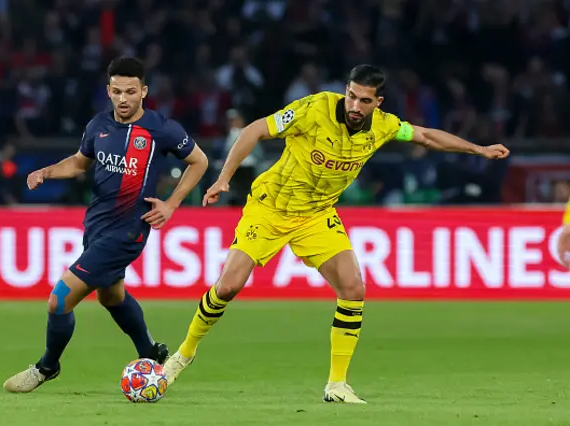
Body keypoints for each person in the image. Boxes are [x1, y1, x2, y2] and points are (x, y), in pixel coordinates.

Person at [162, 64, 509, 403]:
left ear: (379, 103)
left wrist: (477, 149)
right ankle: (184, 354)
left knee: (353, 287)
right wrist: (224, 177)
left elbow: (426, 135)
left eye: (364, 101)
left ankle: (338, 385)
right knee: (228, 286)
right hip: (270, 207)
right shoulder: (313, 108)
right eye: (351, 97)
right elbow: (254, 130)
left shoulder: (386, 127)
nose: (355, 106)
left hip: (316, 215)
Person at [3, 56, 209, 393]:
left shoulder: (161, 128)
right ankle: (150, 354)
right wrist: (46, 171)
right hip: (97, 226)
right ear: (108, 91)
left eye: (131, 91)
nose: (124, 99)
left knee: (59, 299)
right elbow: (80, 163)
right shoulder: (98, 125)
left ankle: (46, 366)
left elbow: (199, 160)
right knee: (111, 296)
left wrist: (172, 203)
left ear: (144, 91)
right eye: (117, 91)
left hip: (128, 231)